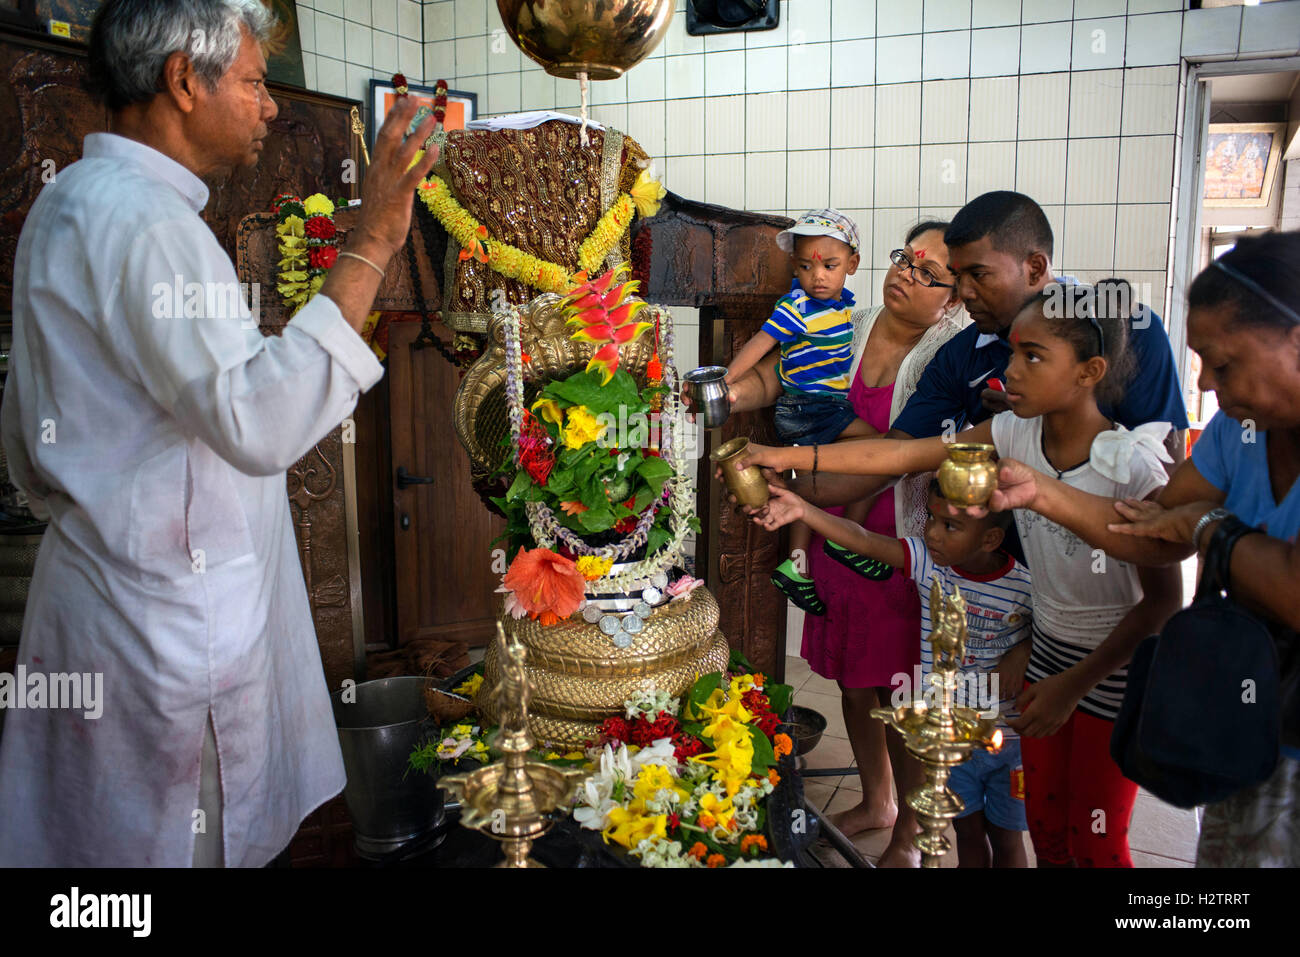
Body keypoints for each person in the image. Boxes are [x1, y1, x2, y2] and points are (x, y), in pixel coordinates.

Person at [0, 0, 439, 866]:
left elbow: (27, 440)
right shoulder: (145, 222)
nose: (269, 105)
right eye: (251, 81)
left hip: (111, 607)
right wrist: (377, 237)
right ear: (182, 81)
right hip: (161, 633)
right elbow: (257, 418)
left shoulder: (79, 203)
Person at [735, 286, 1184, 867]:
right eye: (1013, 353)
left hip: (1113, 674)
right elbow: (904, 456)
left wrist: (1076, 684)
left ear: (1089, 372)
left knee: (1095, 840)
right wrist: (789, 460)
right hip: (1046, 662)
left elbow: (1164, 605)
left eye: (1033, 357)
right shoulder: (1015, 434)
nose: (1011, 372)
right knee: (1046, 827)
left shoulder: (1131, 466)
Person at [967, 230, 1300, 866]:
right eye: (1199, 361)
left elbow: (1274, 581)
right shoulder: (1244, 430)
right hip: (1258, 716)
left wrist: (1208, 529)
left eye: (1224, 364)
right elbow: (1153, 529)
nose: (1207, 385)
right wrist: (1037, 492)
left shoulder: (1133, 456)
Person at [726, 192, 1191, 538]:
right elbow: (898, 455)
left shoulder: (1124, 329)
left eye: (977, 276)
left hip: (1116, 567)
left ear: (1033, 268)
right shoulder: (961, 356)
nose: (964, 293)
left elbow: (1166, 475)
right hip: (999, 574)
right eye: (959, 276)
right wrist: (782, 482)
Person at [718, 221, 968, 858]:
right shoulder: (849, 322)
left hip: (898, 534)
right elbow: (784, 378)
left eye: (928, 272)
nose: (907, 275)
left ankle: (911, 833)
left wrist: (791, 462)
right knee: (854, 677)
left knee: (900, 688)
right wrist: (725, 393)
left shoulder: (951, 354)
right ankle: (877, 798)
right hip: (832, 525)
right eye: (904, 260)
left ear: (954, 295)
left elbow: (907, 457)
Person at [753, 478, 1033, 867]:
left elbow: (1051, 629)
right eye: (931, 519)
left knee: (1006, 839)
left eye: (947, 525)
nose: (931, 532)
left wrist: (1025, 649)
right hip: (945, 731)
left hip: (1005, 740)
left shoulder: (1024, 585)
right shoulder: (929, 561)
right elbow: (863, 541)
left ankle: (909, 835)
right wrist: (804, 510)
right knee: (966, 833)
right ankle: (882, 807)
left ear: (990, 538)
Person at [724, 209, 877, 615]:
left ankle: (797, 567)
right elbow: (761, 343)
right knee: (877, 451)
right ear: (796, 267)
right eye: (807, 266)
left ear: (852, 265)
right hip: (808, 408)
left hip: (822, 406)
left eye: (830, 266)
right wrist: (726, 382)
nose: (818, 276)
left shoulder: (844, 305)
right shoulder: (798, 305)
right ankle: (848, 540)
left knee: (810, 485)